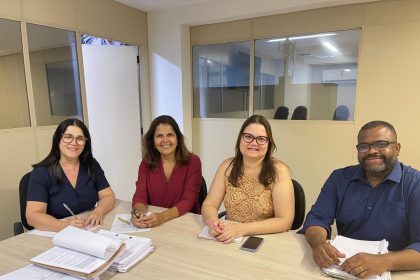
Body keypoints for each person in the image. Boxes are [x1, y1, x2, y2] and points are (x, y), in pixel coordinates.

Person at [301, 120, 420, 278]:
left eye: (381, 144)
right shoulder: (339, 178)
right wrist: (319, 244)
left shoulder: (415, 185)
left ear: (396, 148)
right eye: (364, 146)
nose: (372, 151)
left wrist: (384, 261)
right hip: (342, 268)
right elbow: (317, 218)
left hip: (395, 272)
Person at [201, 115, 294, 243]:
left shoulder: (279, 171)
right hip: (229, 237)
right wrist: (213, 223)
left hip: (264, 239)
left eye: (261, 139)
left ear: (269, 143)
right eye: (248, 137)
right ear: (240, 139)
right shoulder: (227, 166)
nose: (254, 143)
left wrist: (243, 229)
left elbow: (285, 221)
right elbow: (209, 204)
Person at [26, 118, 116, 232]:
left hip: (89, 229)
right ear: (58, 139)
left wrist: (98, 212)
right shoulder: (41, 172)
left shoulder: (91, 164)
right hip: (55, 233)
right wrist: (63, 226)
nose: (74, 143)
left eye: (80, 139)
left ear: (85, 143)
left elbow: (108, 196)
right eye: (68, 137)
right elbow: (32, 216)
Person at [131, 115, 202, 228]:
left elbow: (188, 200)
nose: (165, 140)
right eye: (159, 136)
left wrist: (162, 217)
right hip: (155, 223)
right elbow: (140, 195)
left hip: (186, 221)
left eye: (170, 135)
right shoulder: (146, 163)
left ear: (178, 139)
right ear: (153, 141)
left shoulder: (193, 162)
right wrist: (137, 213)